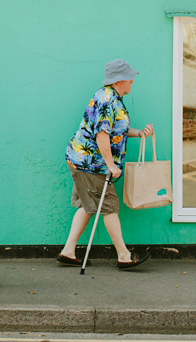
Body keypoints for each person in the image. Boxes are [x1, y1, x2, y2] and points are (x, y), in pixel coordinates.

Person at [58, 59, 154, 270]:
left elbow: (115, 130)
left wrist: (138, 133)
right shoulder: (107, 100)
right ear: (119, 80)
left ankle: (68, 251)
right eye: (130, 78)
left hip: (83, 160)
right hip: (90, 163)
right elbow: (102, 135)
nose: (132, 81)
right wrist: (110, 165)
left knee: (88, 205)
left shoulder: (114, 98)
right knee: (109, 206)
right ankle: (124, 256)